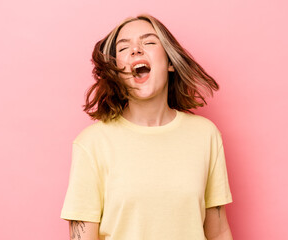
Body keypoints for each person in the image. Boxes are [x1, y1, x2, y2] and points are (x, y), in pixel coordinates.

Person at [61, 14, 233, 240]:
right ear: (116, 71)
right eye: (123, 48)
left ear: (170, 62)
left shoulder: (205, 135)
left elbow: (218, 232)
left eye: (149, 42)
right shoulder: (91, 143)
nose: (135, 50)